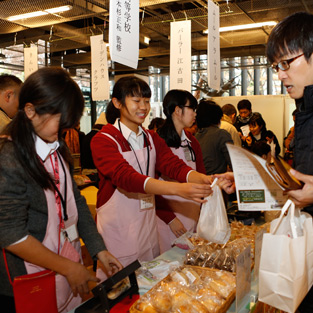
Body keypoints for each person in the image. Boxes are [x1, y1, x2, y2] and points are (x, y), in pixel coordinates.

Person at [0, 67, 122, 313]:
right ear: (31, 111)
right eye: (60, 119)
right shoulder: (9, 155)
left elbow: (74, 200)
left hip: (63, 255)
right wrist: (67, 267)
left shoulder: (56, 144)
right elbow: (10, 233)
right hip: (27, 276)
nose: (65, 128)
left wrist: (98, 249)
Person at [90, 76, 213, 272]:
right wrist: (179, 189)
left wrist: (206, 179)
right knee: (121, 292)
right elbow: (126, 177)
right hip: (118, 231)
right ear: (117, 103)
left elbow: (173, 165)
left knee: (150, 285)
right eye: (136, 101)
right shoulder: (104, 140)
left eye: (146, 101)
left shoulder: (151, 137)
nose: (143, 107)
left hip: (147, 228)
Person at [156, 89, 206, 253]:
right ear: (178, 110)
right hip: (167, 220)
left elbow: (202, 175)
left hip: (192, 215)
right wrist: (170, 219)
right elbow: (150, 186)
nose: (195, 114)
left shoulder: (192, 142)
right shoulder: (157, 142)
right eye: (192, 108)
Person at [195, 99, 233, 175]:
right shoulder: (221, 134)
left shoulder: (195, 136)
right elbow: (234, 163)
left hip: (198, 180)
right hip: (215, 182)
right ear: (218, 118)